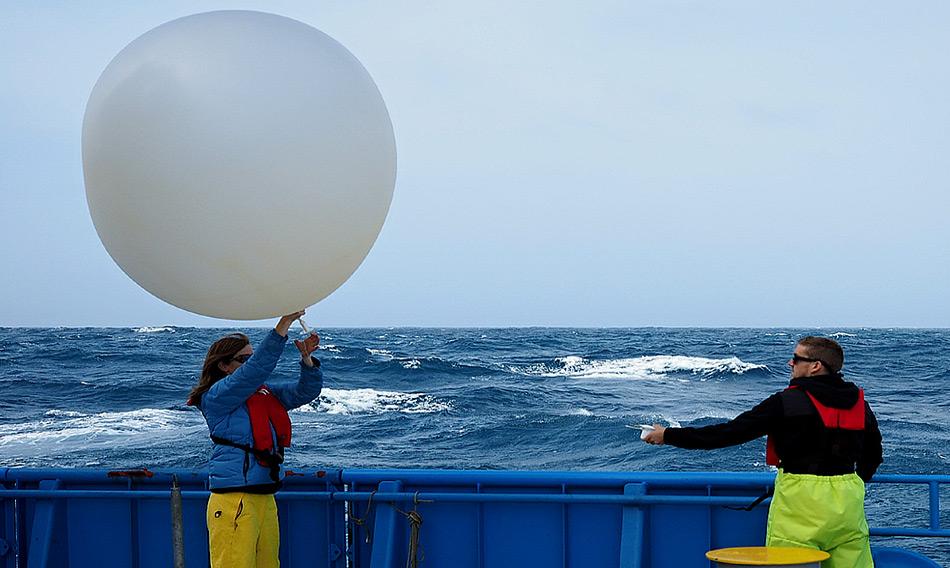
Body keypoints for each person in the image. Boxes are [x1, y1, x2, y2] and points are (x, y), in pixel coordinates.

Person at [642, 336, 883, 568]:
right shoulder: (859, 404)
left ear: (815, 366)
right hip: (848, 501)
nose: (790, 363)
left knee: (790, 563)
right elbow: (873, 455)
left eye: (796, 358)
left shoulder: (787, 402)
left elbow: (729, 433)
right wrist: (851, 482)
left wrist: (669, 435)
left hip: (800, 502)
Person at [187, 311, 323, 568]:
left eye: (251, 358)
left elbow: (305, 392)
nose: (250, 364)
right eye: (243, 360)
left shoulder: (263, 394)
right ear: (224, 366)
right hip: (233, 498)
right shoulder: (216, 397)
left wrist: (306, 360)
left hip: (264, 495)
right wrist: (283, 325)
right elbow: (255, 371)